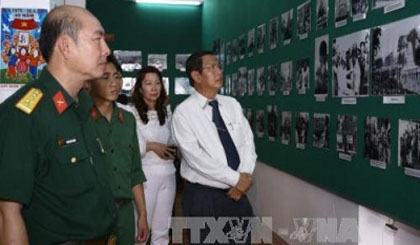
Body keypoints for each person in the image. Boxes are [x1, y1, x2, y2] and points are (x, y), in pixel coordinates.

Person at [0, 5, 117, 245]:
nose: (106, 50)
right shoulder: (24, 114)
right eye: (97, 40)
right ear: (65, 46)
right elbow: (8, 213)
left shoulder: (82, 106)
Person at [171, 51, 257, 244]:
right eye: (212, 67)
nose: (219, 71)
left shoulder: (231, 104)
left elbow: (247, 143)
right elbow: (196, 158)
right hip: (204, 197)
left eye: (219, 66)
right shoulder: (184, 113)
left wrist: (243, 176)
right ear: (196, 76)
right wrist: (236, 179)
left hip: (237, 194)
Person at [86, 54, 149, 245]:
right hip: (91, 214)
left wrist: (142, 215)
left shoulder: (127, 120)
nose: (114, 83)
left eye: (118, 76)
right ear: (88, 83)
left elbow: (134, 172)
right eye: (105, 77)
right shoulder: (80, 119)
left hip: (124, 214)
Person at [120, 66, 176, 245]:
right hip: (144, 177)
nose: (154, 88)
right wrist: (151, 146)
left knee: (162, 231)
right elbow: (126, 144)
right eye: (148, 83)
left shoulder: (167, 111)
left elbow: (174, 139)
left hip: (168, 174)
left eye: (157, 83)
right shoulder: (130, 112)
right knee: (142, 230)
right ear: (139, 88)